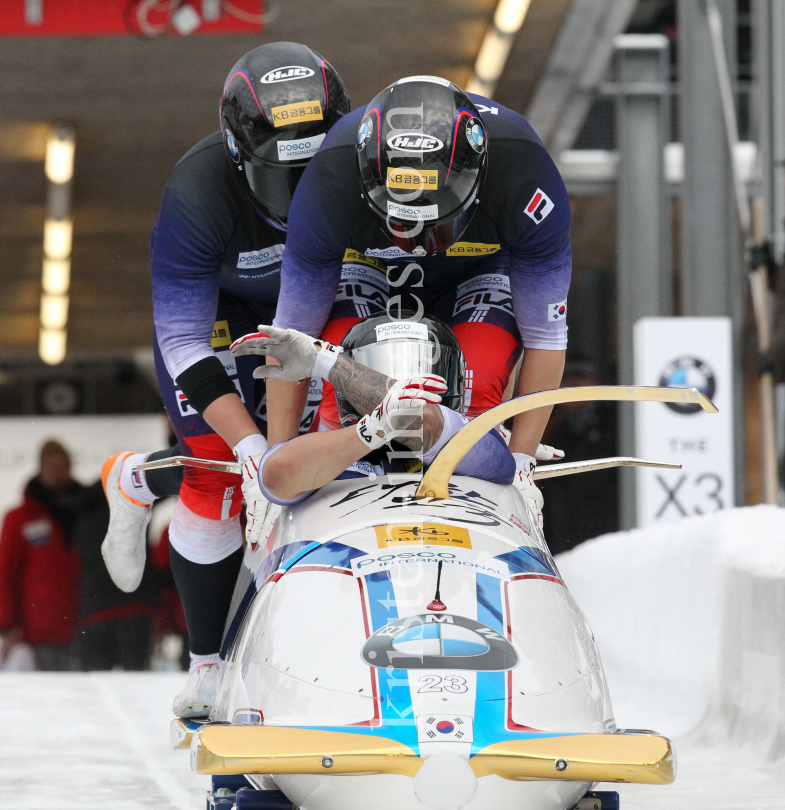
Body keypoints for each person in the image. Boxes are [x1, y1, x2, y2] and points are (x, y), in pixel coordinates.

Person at [100, 42, 350, 716]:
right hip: (217, 317)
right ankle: (207, 664)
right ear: (241, 157)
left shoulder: (370, 157)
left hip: (312, 302)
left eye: (315, 175)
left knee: (338, 446)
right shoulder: (197, 192)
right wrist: (249, 449)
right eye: (283, 177)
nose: (301, 199)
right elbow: (182, 337)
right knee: (220, 476)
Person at [264, 77, 571, 531]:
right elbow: (292, 336)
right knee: (340, 396)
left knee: (478, 383)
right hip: (368, 263)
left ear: (478, 183)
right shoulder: (330, 178)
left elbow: (545, 334)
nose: (417, 244)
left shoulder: (524, 171)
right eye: (401, 221)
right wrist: (279, 451)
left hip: (479, 266)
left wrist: (522, 460)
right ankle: (339, 471)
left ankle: (478, 462)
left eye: (433, 223)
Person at [232, 313, 516, 509]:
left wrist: (325, 362)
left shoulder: (478, 440)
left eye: (418, 374)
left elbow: (430, 426)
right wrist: (371, 431)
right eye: (384, 372)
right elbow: (276, 475)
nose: (401, 386)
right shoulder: (324, 454)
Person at [0, 441, 82, 671]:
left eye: (61, 466)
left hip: (82, 625)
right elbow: (6, 574)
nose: (57, 473)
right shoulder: (20, 518)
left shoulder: (85, 512)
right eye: (51, 466)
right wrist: (6, 624)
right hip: (37, 628)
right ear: (40, 469)